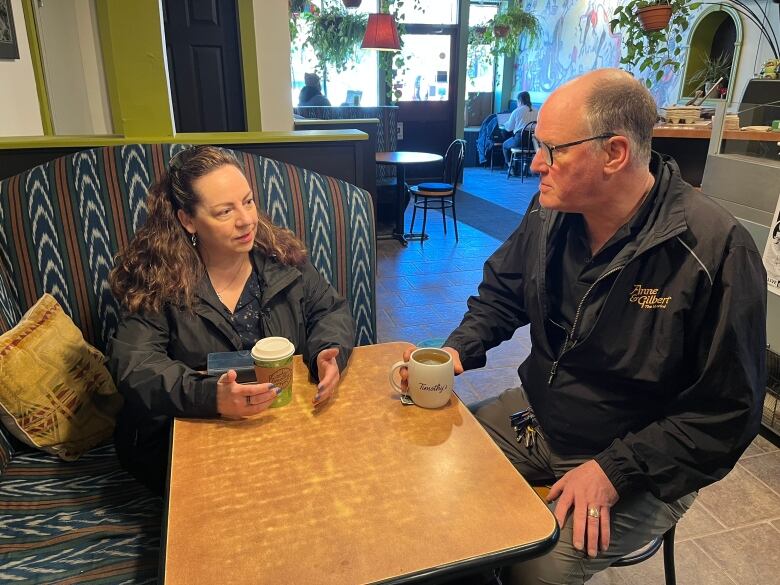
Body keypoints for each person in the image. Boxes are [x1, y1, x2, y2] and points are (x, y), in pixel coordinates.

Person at [400, 69, 766, 584]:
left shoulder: (714, 251)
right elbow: (503, 291)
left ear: (614, 153)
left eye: (552, 149)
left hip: (642, 461)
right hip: (541, 415)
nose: (534, 163)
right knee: (436, 479)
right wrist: (460, 349)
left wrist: (616, 469)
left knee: (534, 567)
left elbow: (726, 414)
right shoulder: (551, 211)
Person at [107, 146, 355, 495]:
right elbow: (134, 364)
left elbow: (329, 310)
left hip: (279, 426)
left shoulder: (281, 259)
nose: (246, 220)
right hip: (193, 437)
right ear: (187, 220)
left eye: (249, 201)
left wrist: (328, 350)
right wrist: (210, 397)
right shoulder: (158, 278)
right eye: (225, 211)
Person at [502, 91, 538, 168]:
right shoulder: (537, 111)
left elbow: (509, 128)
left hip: (520, 141)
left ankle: (511, 168)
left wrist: (504, 124)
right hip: (533, 143)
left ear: (520, 101)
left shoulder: (516, 111)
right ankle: (525, 168)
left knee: (505, 145)